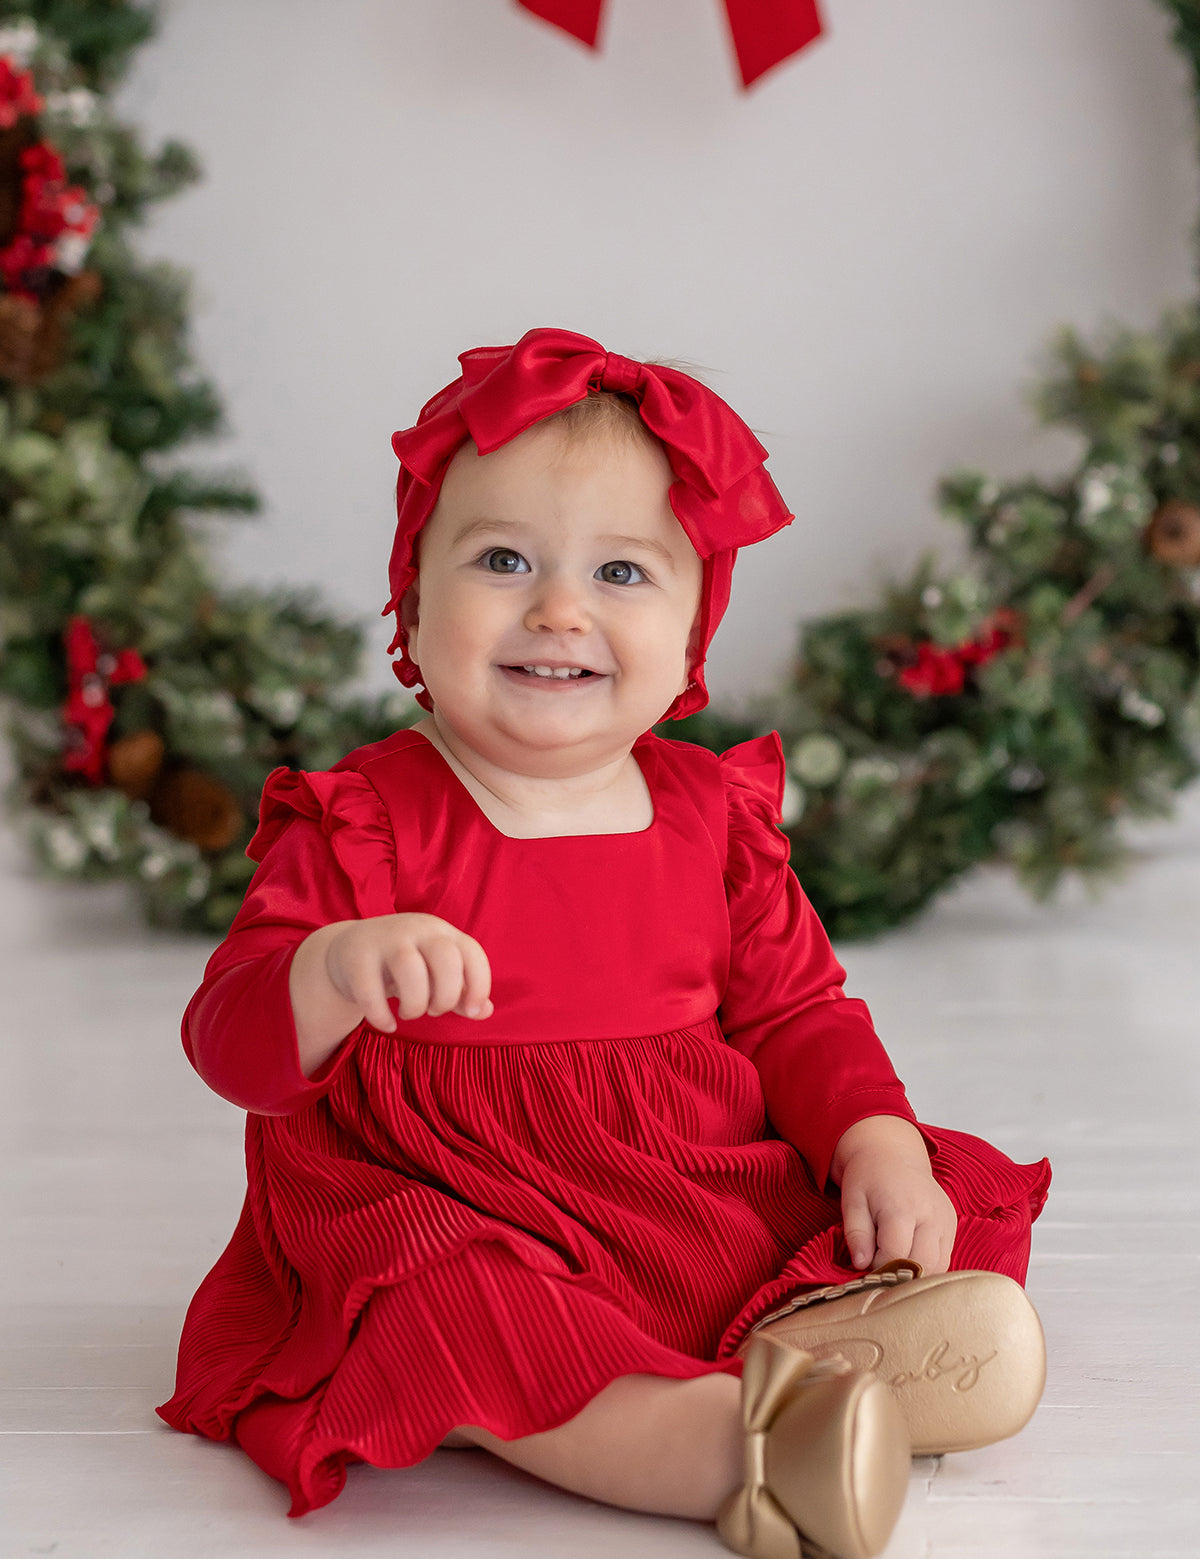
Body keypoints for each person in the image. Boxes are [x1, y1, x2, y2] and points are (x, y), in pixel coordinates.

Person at [157, 328, 1051, 1559]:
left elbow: (799, 1015)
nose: (560, 608)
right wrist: (325, 971)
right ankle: (724, 1447)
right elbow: (229, 1040)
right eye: (504, 558)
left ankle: (841, 1340)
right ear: (414, 595)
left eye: (623, 573)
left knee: (929, 1190)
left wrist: (873, 1140)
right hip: (444, 1198)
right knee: (455, 1308)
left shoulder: (708, 817)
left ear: (694, 631)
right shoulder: (365, 821)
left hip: (672, 1182)